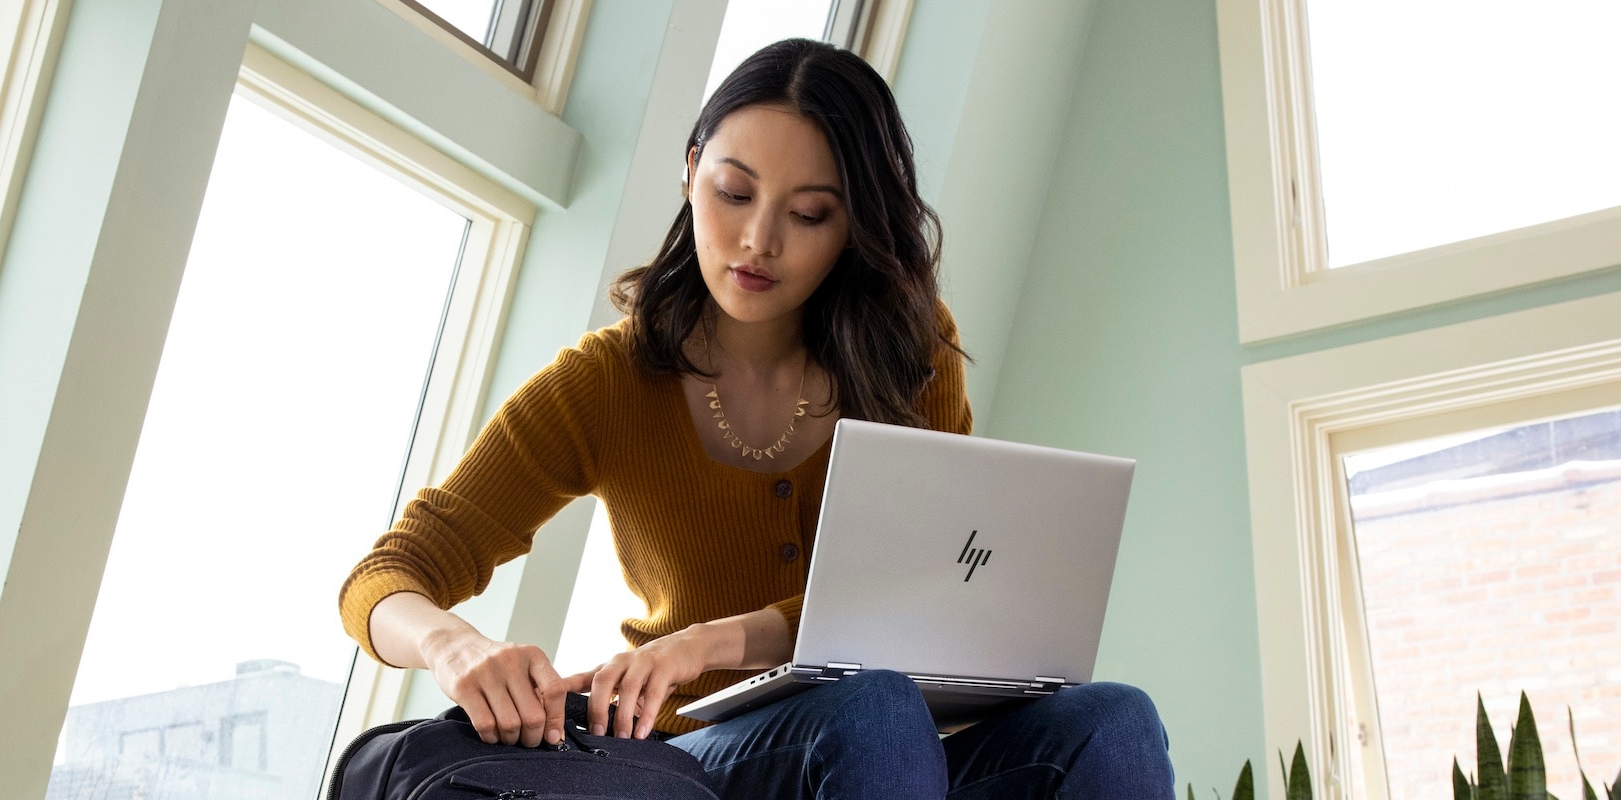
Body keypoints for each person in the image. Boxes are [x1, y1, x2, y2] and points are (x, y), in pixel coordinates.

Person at [338, 39, 1176, 799]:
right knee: (874, 710)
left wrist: (709, 642)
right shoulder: (604, 381)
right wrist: (454, 646)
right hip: (701, 756)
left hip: (890, 754)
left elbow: (922, 596)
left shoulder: (910, 356)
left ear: (854, 226)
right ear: (691, 171)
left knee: (1114, 720)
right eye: (734, 193)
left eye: (809, 214)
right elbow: (388, 575)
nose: (758, 240)